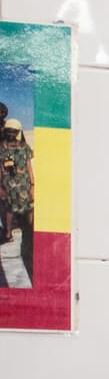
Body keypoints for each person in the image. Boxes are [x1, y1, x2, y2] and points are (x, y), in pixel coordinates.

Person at [1, 117, 34, 282]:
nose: (11, 133)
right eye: (9, 131)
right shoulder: (2, 147)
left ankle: (27, 230)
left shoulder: (24, 147)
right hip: (8, 182)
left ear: (18, 132)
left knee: (27, 208)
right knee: (8, 209)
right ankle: (8, 233)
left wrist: (33, 184)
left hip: (23, 182)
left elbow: (28, 165)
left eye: (14, 131)